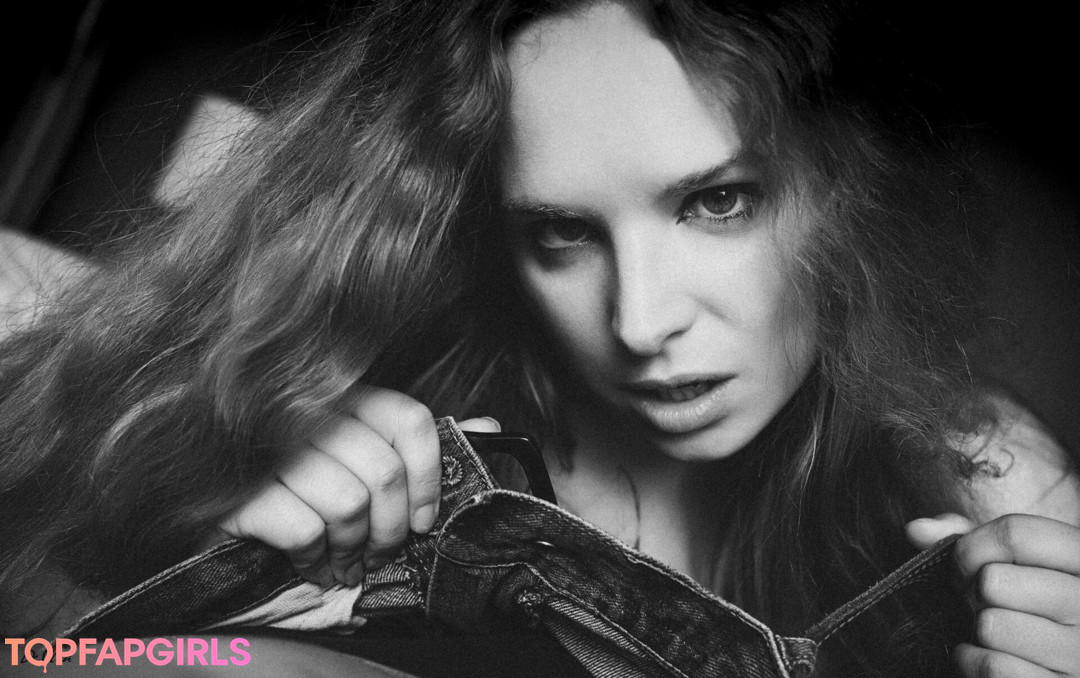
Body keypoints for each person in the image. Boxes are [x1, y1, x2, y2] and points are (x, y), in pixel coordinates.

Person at [1, 0, 1078, 675]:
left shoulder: (984, 473)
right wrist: (218, 530)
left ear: (853, 194)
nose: (640, 322)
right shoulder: (385, 400)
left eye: (717, 203)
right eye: (563, 233)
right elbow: (39, 647)